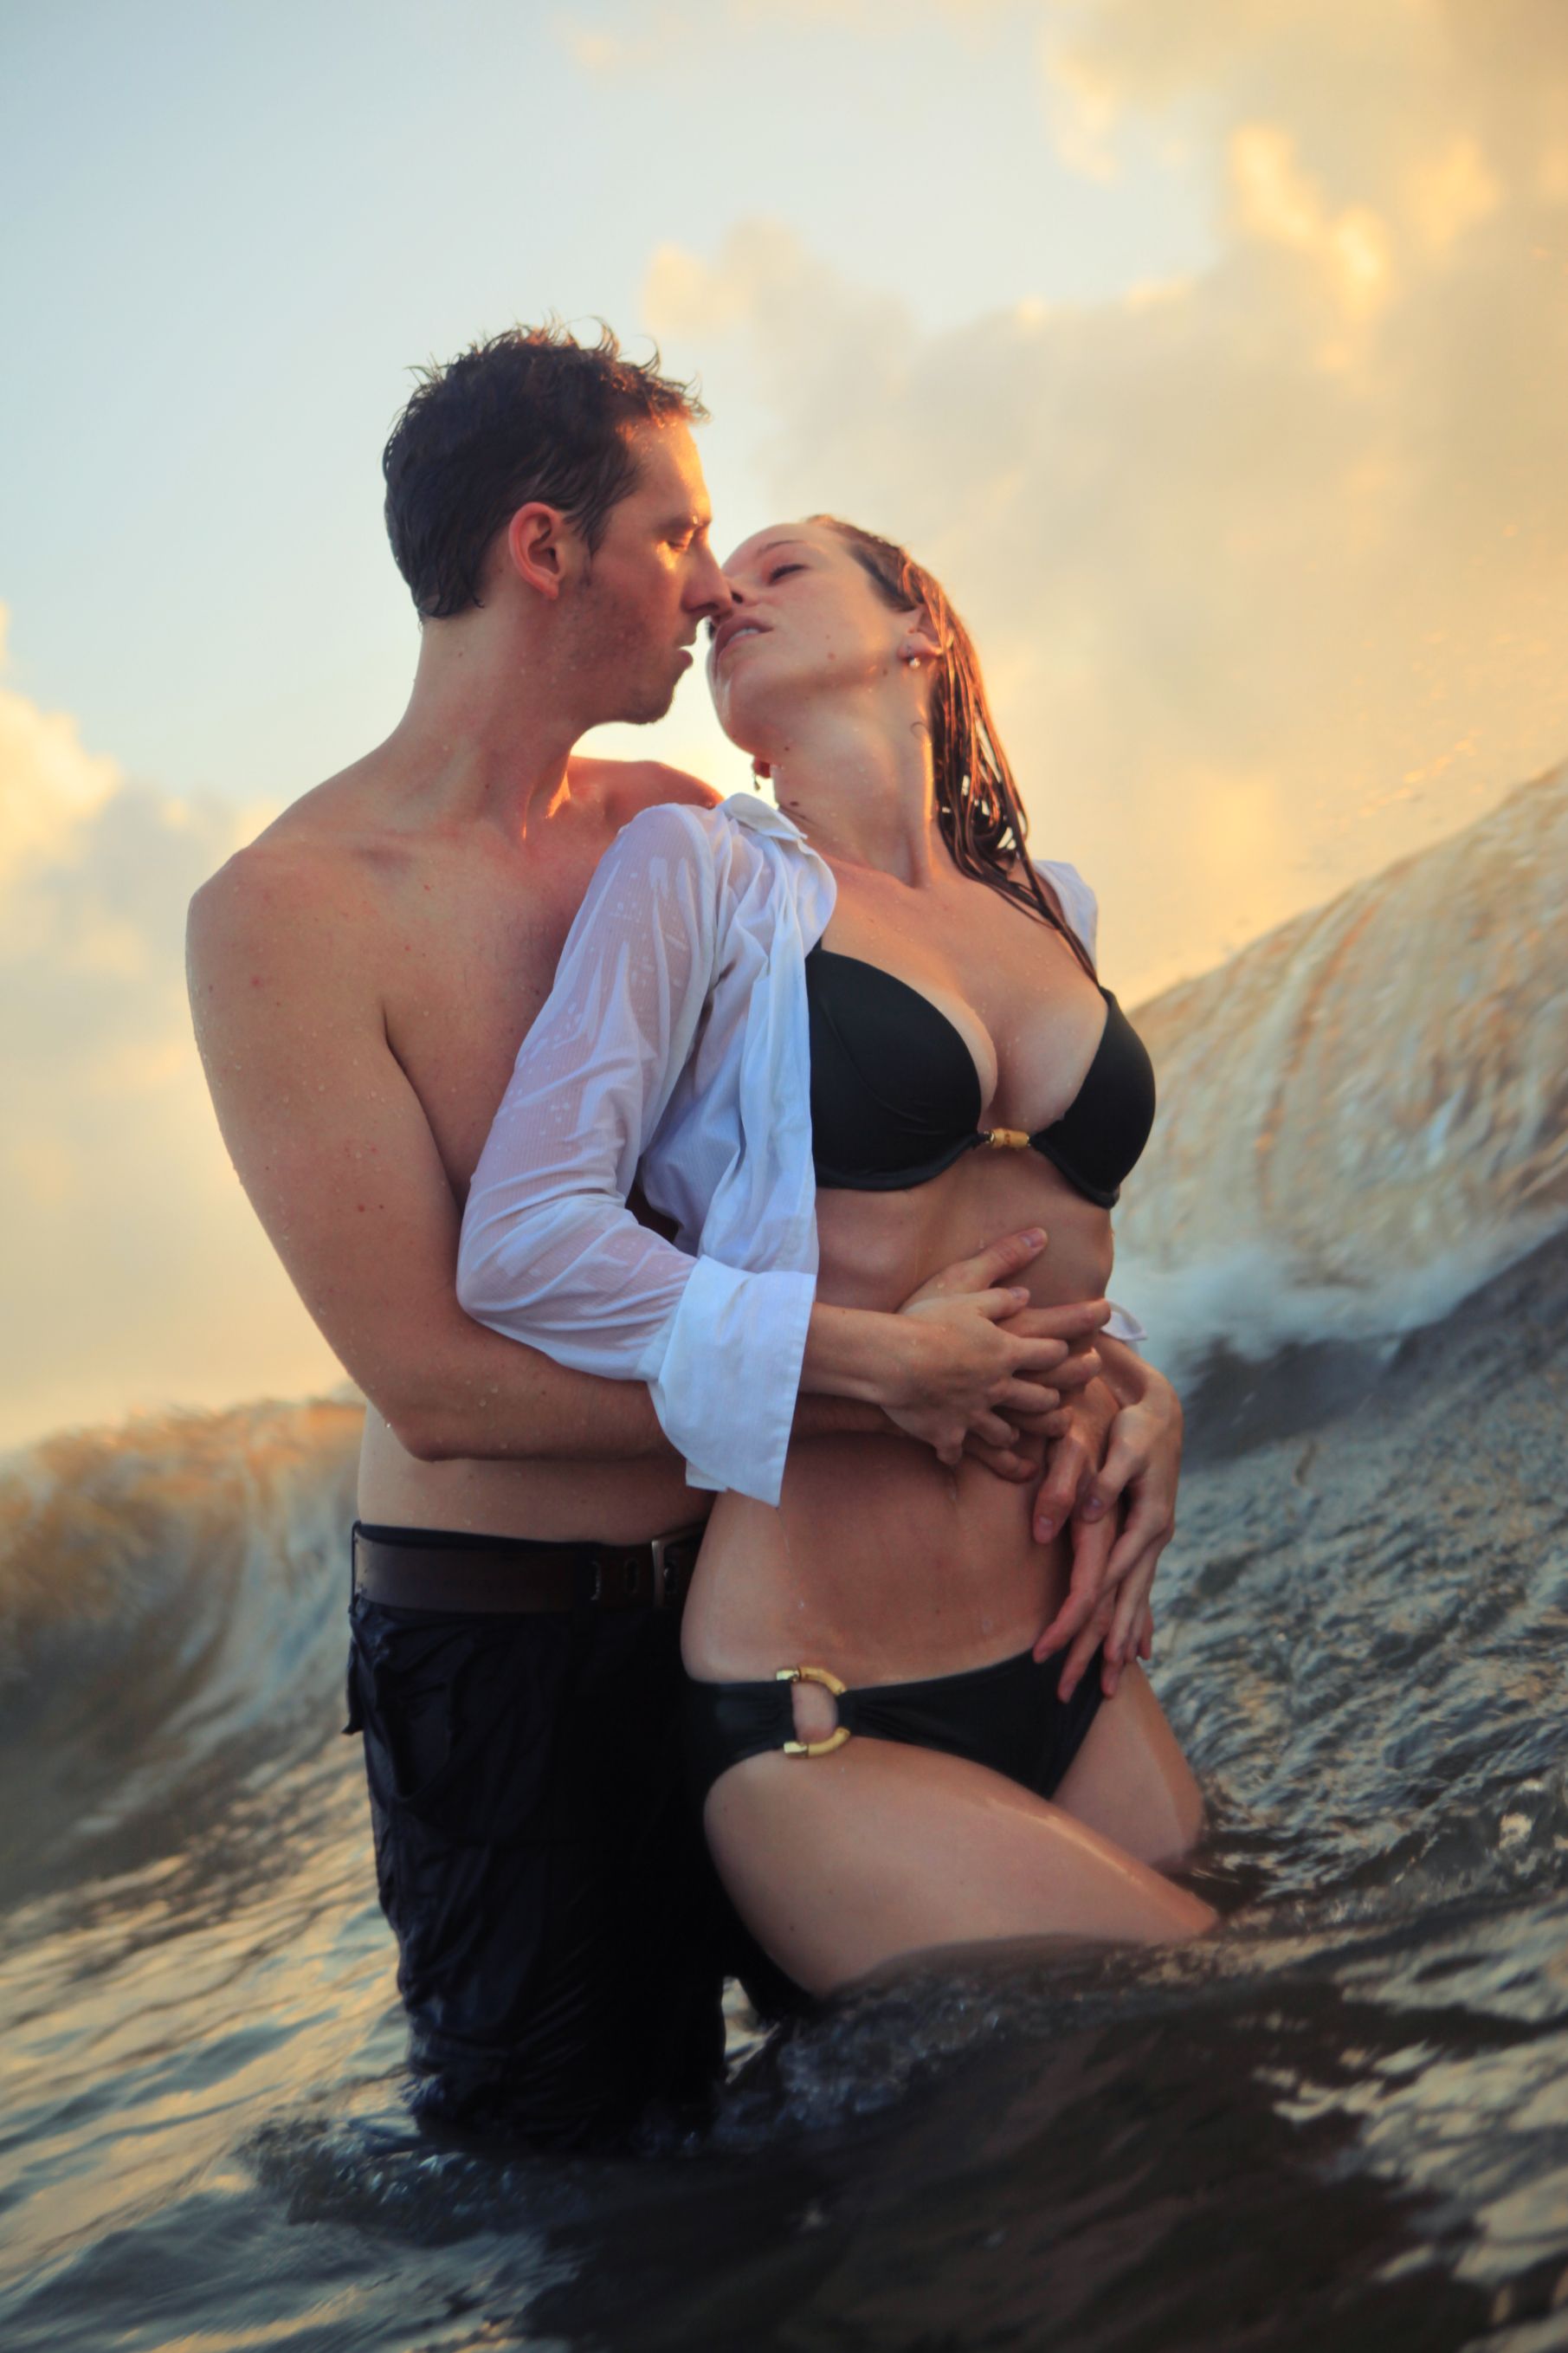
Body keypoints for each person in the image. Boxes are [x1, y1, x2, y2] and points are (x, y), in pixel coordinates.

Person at [187, 323, 1186, 2151]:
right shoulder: (287, 915)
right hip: (519, 1644)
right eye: (679, 533)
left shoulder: (676, 832)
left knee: (911, 2135)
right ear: (544, 549)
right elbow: (439, 1383)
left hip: (778, 1590)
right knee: (600, 2184)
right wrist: (886, 1380)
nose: (713, 580)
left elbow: (866, 1210)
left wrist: (1113, 1381)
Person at [458, 514, 1216, 1996]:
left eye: (784, 566)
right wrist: (876, 1358)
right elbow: (525, 1239)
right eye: (722, 581)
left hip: (1069, 1655)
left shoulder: (1050, 905)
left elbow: (1032, 1247)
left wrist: (1145, 1393)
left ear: (917, 626)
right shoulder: (701, 875)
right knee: (1209, 1998)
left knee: (1262, 2057)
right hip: (829, 1702)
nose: (727, 591)